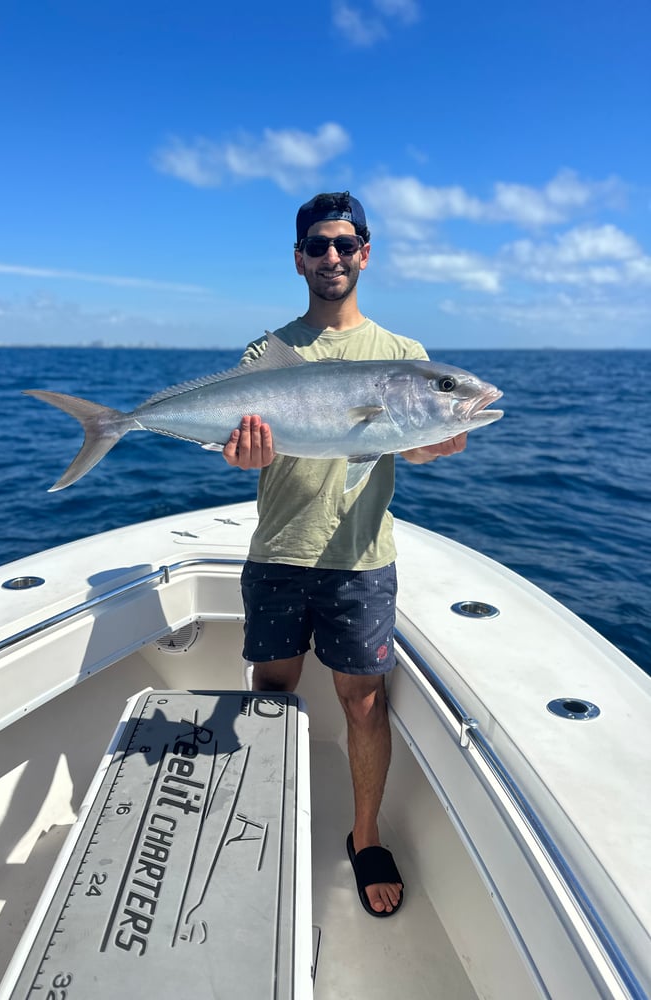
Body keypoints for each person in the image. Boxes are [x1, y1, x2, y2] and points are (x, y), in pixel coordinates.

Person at [222, 192, 467, 917]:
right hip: (278, 550)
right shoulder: (265, 353)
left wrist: (435, 438)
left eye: (345, 243)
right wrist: (242, 455)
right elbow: (244, 448)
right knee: (270, 689)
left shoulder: (403, 359)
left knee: (364, 703)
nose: (332, 256)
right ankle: (260, 819)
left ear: (366, 252)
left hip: (360, 558)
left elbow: (410, 445)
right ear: (299, 258)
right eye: (318, 245)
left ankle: (365, 838)